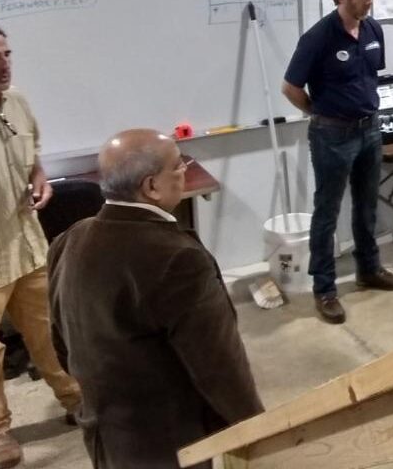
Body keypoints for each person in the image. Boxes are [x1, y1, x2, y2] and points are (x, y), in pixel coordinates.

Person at [47, 129, 264, 469]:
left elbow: (62, 341)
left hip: (106, 435)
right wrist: (257, 428)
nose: (184, 171)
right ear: (151, 186)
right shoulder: (177, 259)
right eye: (178, 166)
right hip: (172, 445)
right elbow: (220, 369)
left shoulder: (69, 239)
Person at [0, 23, 82, 469]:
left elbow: (31, 160)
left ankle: (75, 399)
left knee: (52, 331)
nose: (5, 64)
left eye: (7, 54)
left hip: (28, 248)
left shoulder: (18, 104)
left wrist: (39, 177)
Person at [282, 0, 393, 325]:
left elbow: (370, 76)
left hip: (370, 130)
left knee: (367, 205)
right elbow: (290, 88)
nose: (370, 0)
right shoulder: (318, 37)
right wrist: (319, 112)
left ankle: (369, 269)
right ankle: (325, 288)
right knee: (327, 212)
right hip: (332, 135)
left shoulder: (373, 30)